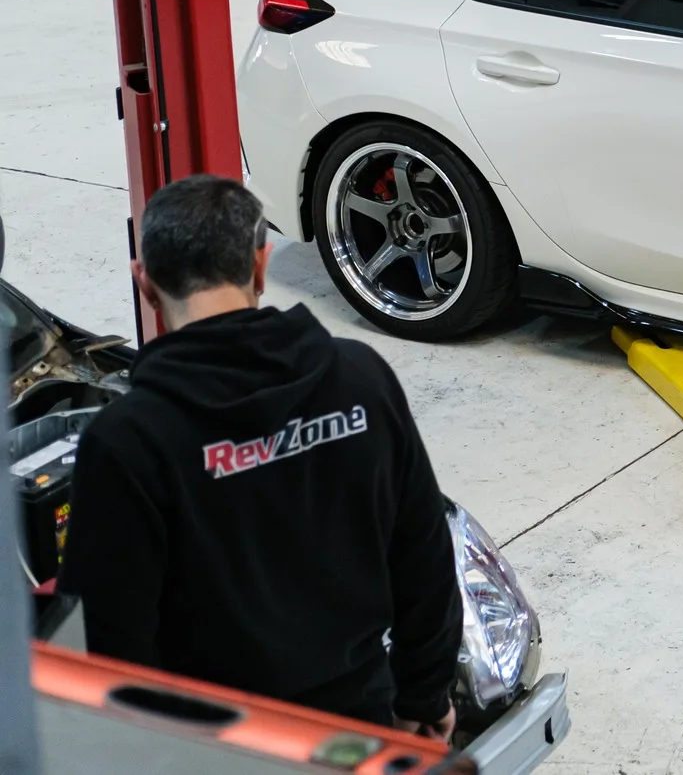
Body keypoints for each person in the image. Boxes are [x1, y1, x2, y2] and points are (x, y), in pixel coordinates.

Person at [58, 174, 462, 738]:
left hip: (216, 748)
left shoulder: (127, 441)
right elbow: (424, 552)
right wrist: (424, 695)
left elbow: (111, 645)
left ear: (145, 285)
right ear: (260, 267)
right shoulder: (358, 379)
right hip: (359, 730)